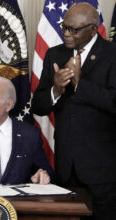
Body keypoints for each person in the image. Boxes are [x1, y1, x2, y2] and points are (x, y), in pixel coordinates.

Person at [31, 3, 116, 220]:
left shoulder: (111, 55)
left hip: (102, 170)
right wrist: (56, 89)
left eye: (74, 30)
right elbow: (38, 106)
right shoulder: (54, 55)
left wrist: (79, 84)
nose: (67, 34)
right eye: (64, 27)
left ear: (93, 29)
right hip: (66, 166)